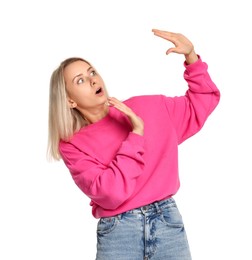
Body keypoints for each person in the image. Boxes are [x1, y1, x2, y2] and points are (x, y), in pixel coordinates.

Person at [47, 29, 220, 260]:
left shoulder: (149, 108)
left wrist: (191, 57)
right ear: (69, 100)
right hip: (119, 233)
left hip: (168, 224)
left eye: (92, 72)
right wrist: (135, 134)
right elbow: (110, 193)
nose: (92, 80)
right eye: (80, 80)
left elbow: (202, 102)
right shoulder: (72, 145)